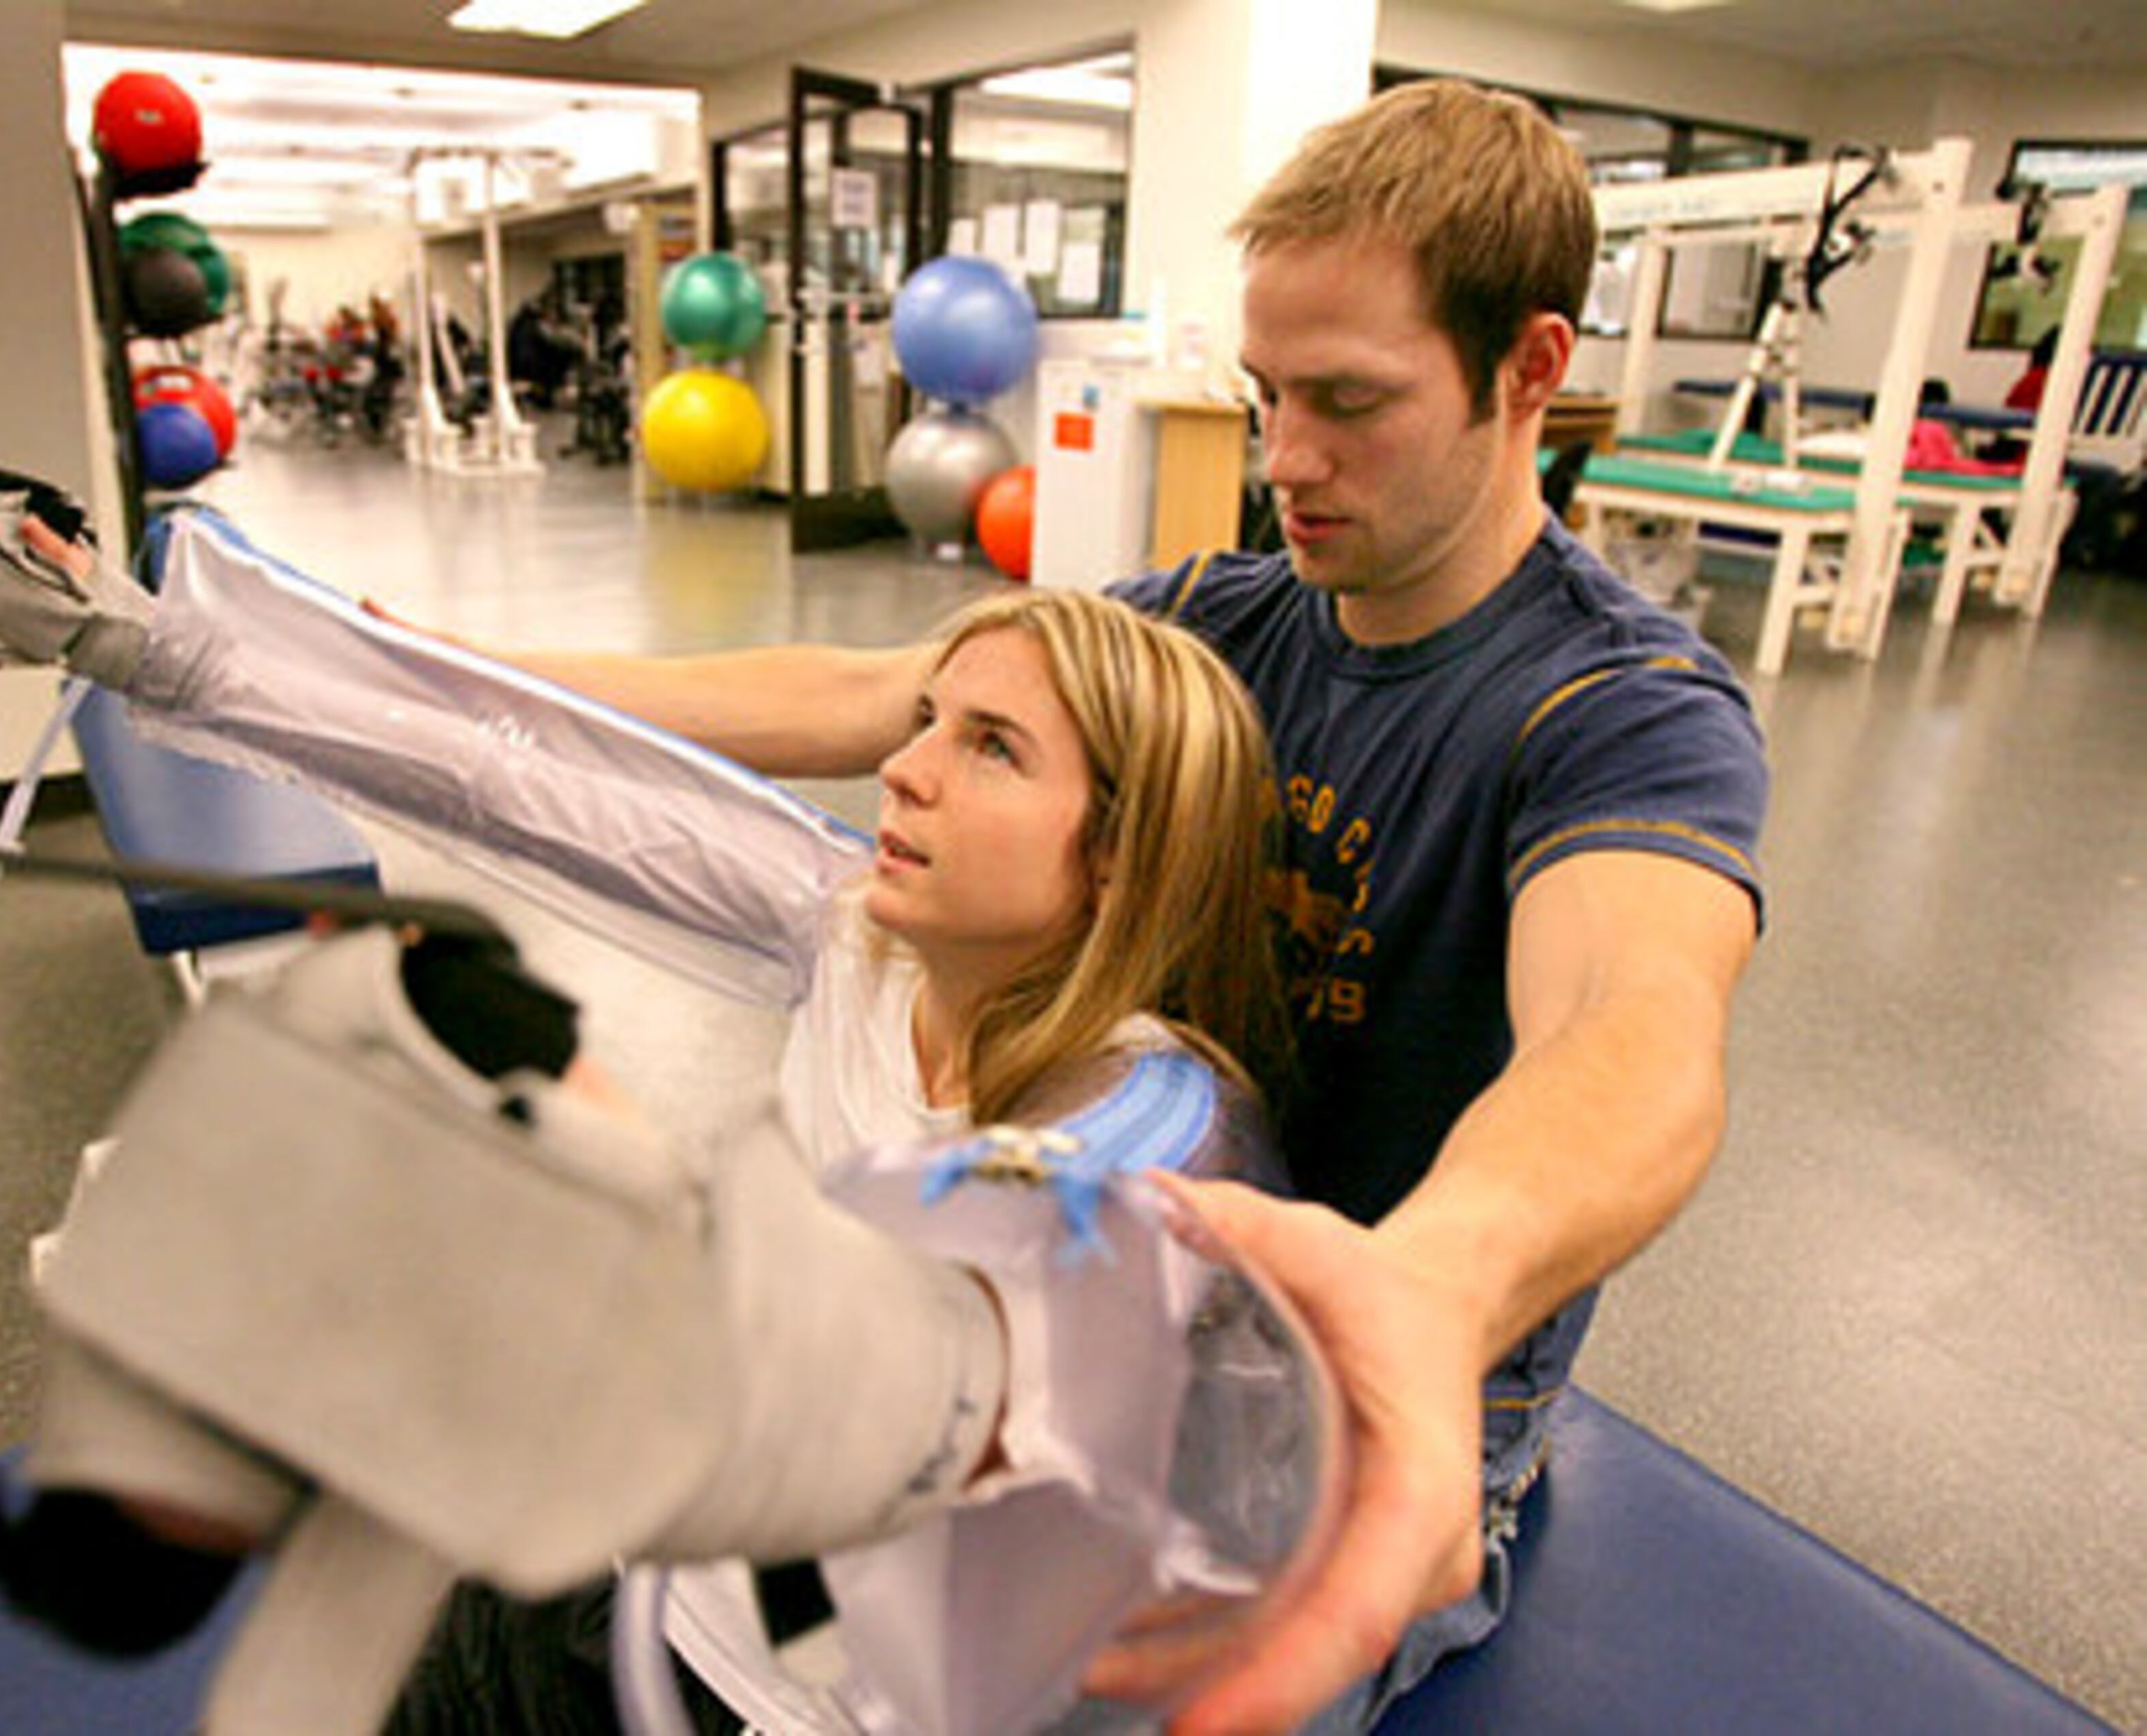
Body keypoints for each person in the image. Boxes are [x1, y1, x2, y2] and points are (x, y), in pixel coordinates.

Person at [431, 78, 1769, 1733]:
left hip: (1354, 1390)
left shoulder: (1621, 710)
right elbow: (860, 688)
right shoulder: (1213, 616)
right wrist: (454, 672)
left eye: (1350, 401)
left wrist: (1434, 1285)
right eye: (1266, 393)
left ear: (1531, 369)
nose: (1284, 458)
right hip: (1116, 1289)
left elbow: (1633, 1029)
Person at [0, 504, 1339, 1734]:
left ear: (1119, 855)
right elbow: (513, 780)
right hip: (662, 1602)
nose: (905, 769)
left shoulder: (1159, 1135)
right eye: (928, 721)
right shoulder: (858, 929)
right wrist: (141, 641)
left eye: (991, 749)